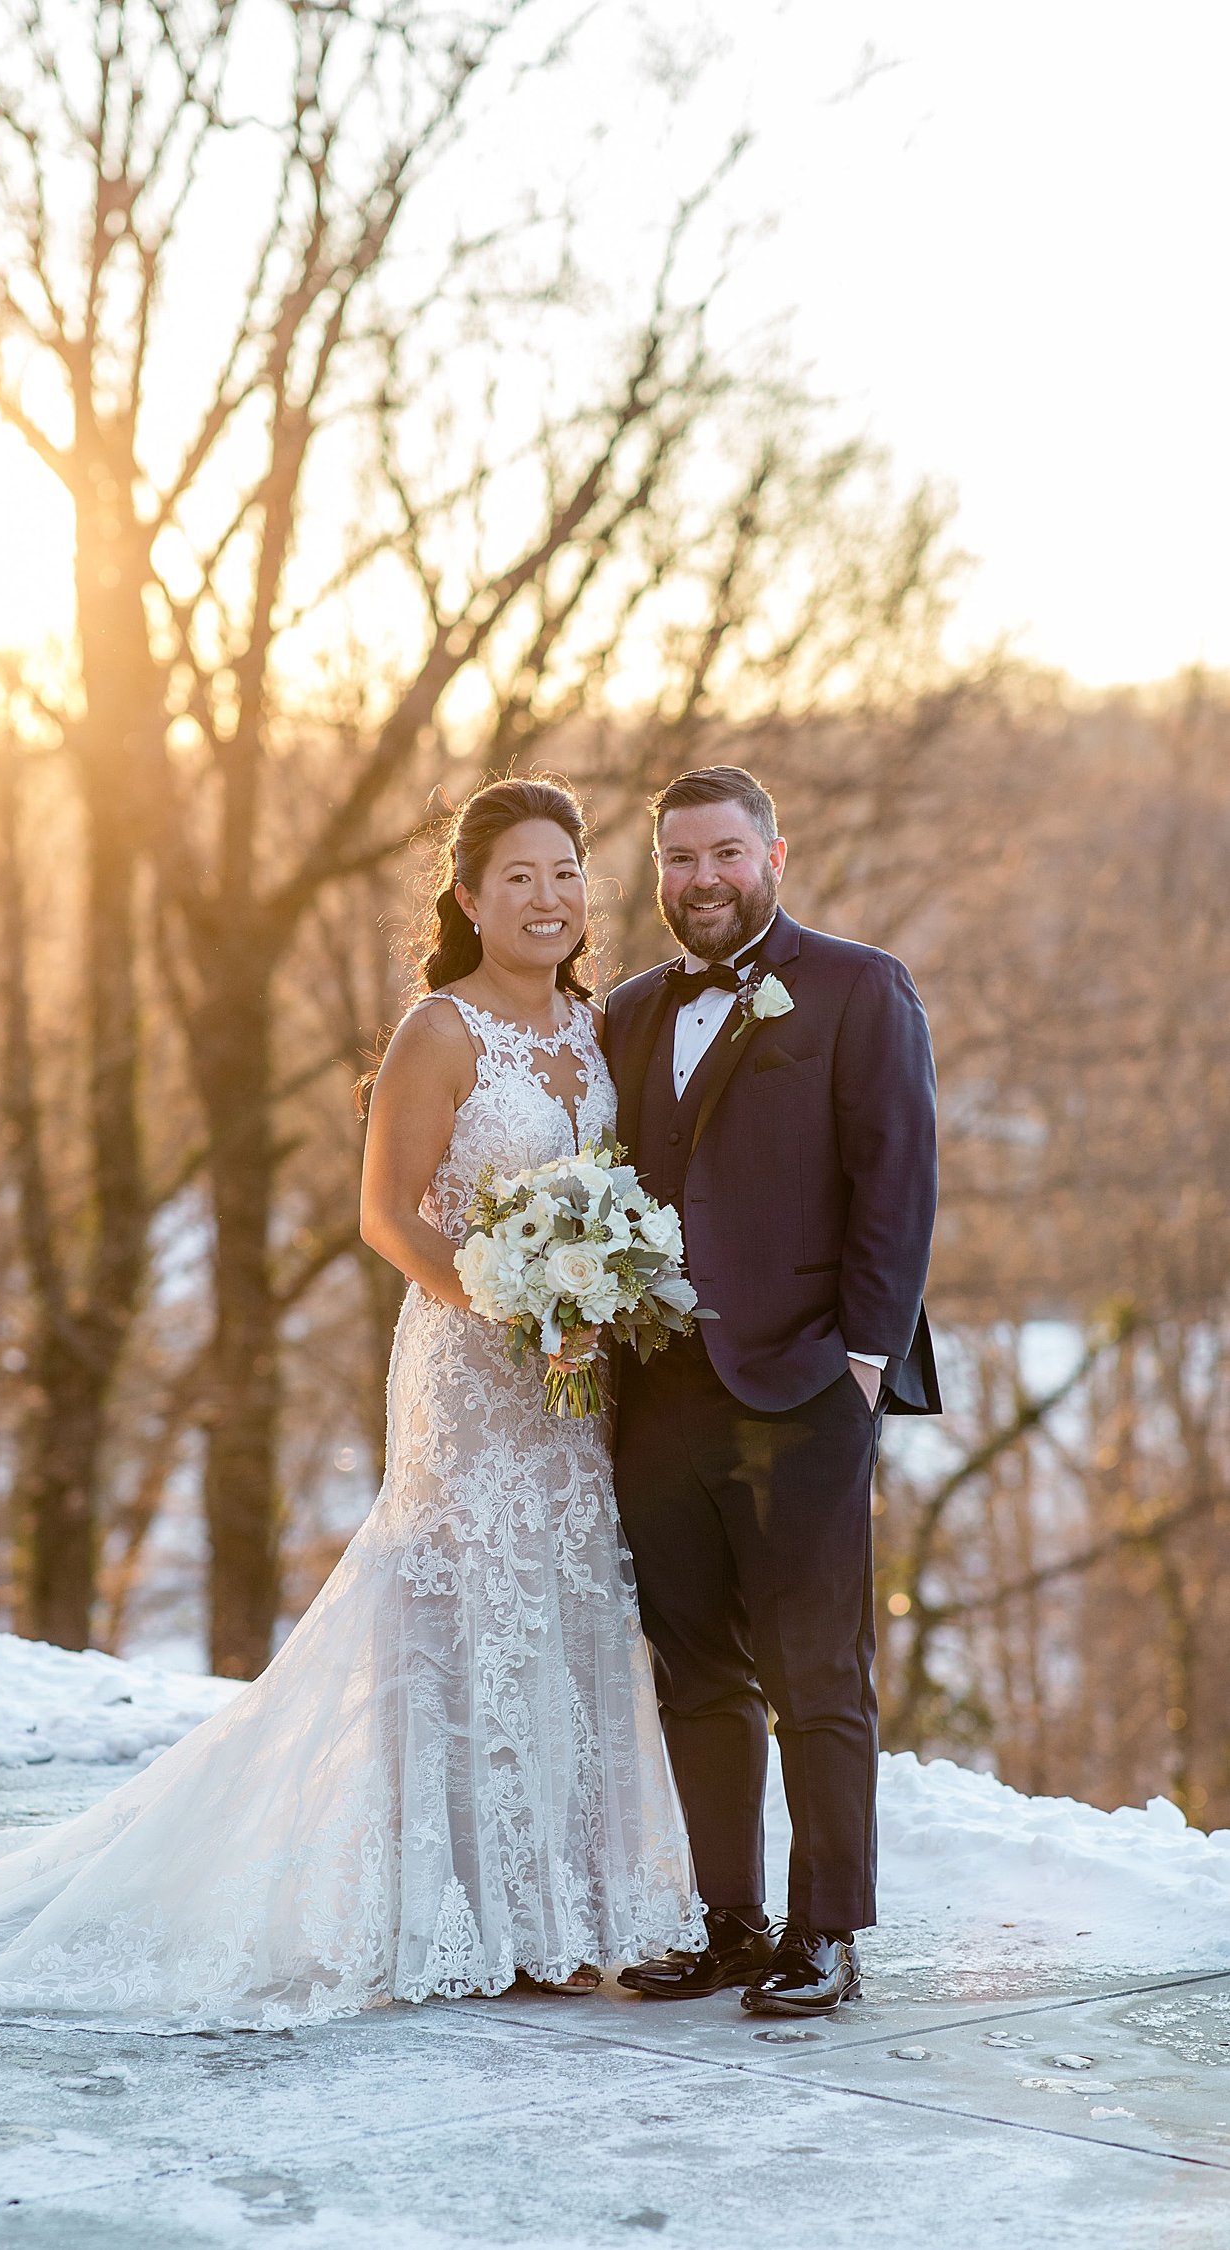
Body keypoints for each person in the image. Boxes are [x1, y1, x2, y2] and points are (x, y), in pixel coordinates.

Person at [0, 776, 702, 2030]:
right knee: (463, 1614)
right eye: (518, 877)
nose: (548, 898)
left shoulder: (597, 1026)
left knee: (568, 1604)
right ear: (468, 899)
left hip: (579, 1390)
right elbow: (386, 1216)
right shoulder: (441, 1031)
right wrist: (512, 1301)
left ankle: (563, 1917)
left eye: (565, 873)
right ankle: (463, 1912)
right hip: (472, 1370)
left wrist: (602, 1290)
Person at [606, 764, 940, 2017]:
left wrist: (864, 1360)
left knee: (816, 1673)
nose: (703, 880)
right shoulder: (628, 1011)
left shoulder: (860, 987)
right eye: (679, 859)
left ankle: (828, 1937)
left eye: (725, 854)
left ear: (774, 858)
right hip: (658, 1392)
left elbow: (897, 1179)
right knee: (694, 1670)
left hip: (806, 1382)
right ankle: (730, 1926)